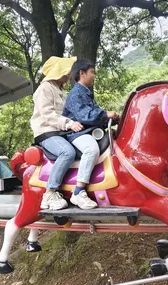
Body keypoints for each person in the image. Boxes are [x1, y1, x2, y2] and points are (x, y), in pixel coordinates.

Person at [62, 58, 119, 209]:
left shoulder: (86, 93)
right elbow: (85, 115)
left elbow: (95, 117)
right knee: (91, 149)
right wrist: (106, 114)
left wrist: (113, 119)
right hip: (77, 134)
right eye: (92, 72)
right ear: (82, 73)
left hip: (89, 131)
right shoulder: (75, 94)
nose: (94, 75)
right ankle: (78, 191)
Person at [30, 56, 83, 210]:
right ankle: (50, 191)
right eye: (66, 71)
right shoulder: (44, 89)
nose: (68, 74)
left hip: (60, 132)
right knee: (67, 152)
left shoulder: (60, 90)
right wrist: (69, 123)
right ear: (58, 72)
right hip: (47, 132)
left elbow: (68, 112)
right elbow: (48, 114)